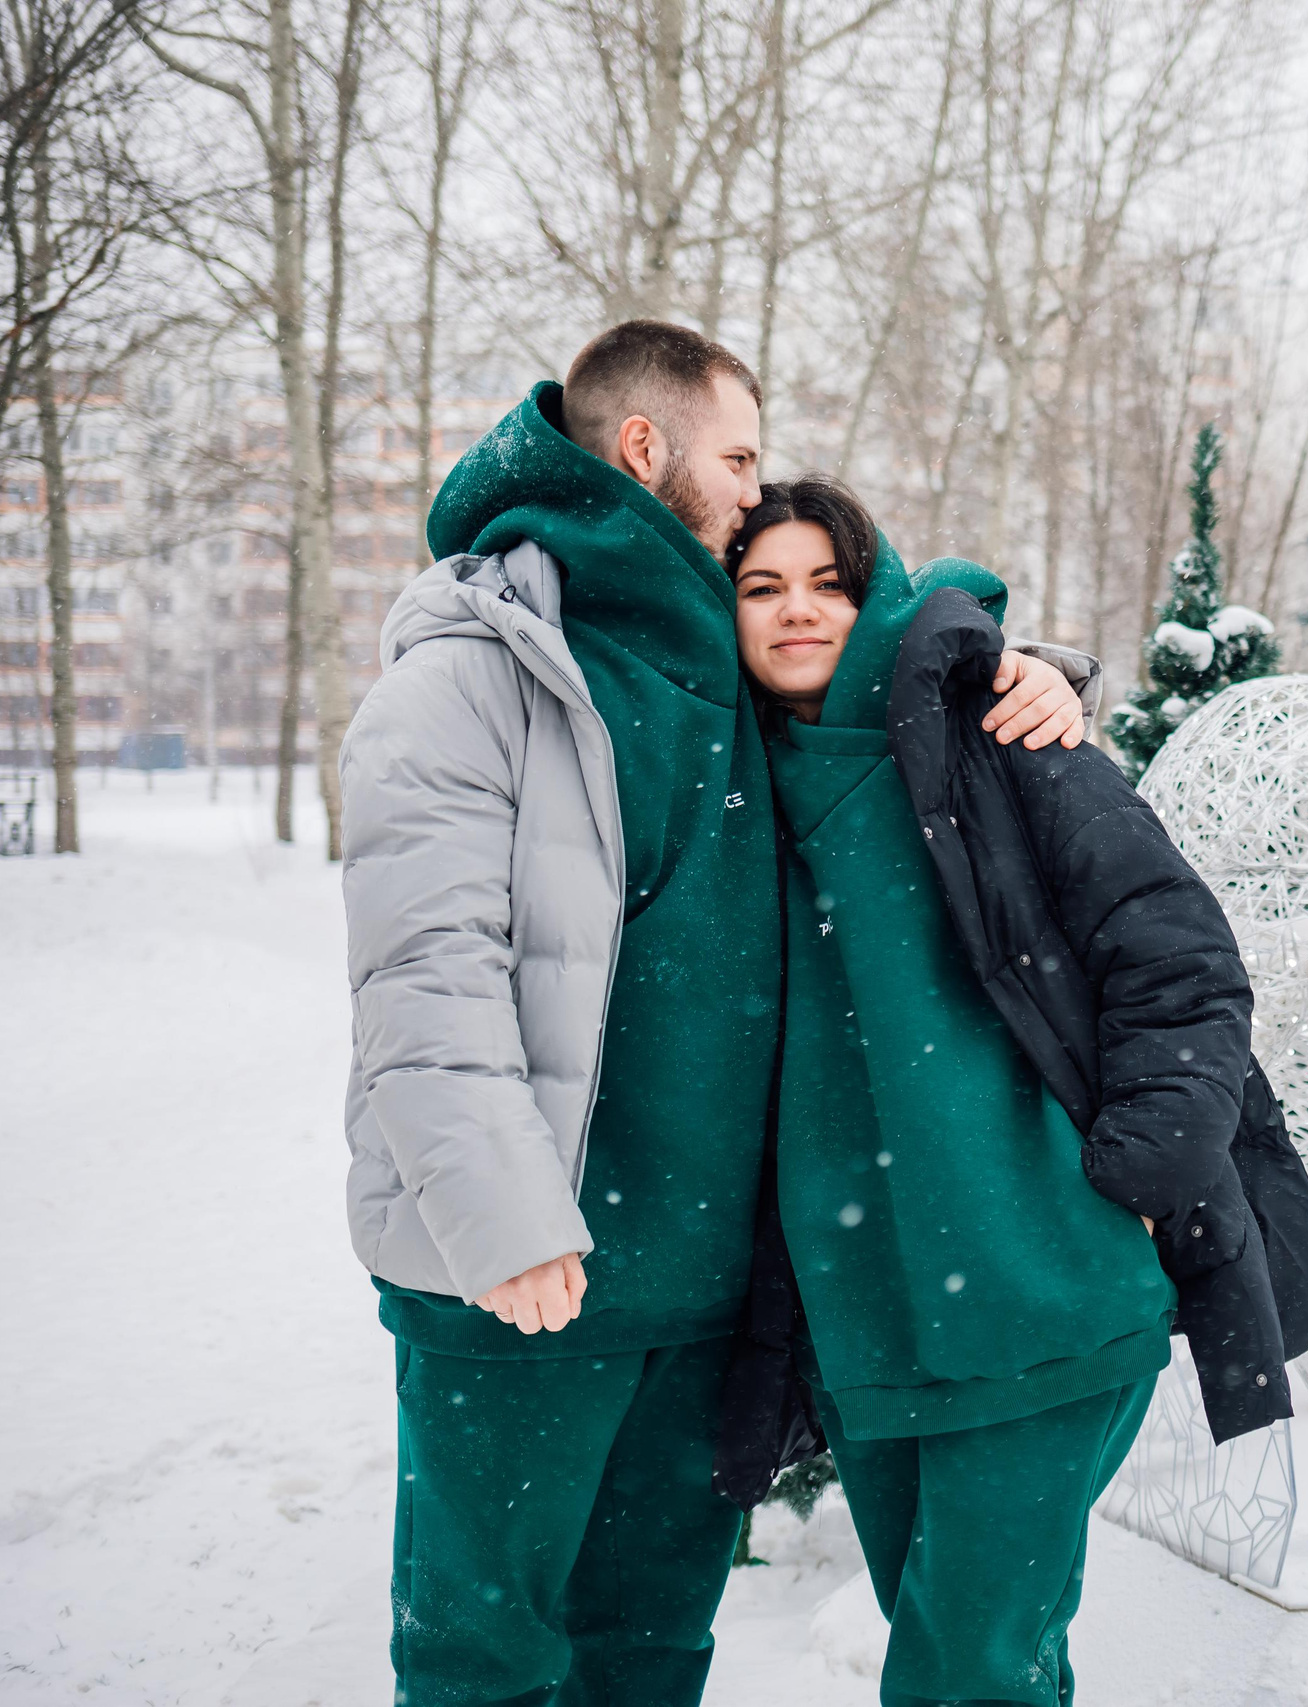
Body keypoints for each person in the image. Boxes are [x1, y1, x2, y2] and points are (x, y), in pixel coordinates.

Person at [337, 321, 1093, 1707]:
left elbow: (886, 634)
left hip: (710, 1294)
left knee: (651, 1647)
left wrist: (1016, 665)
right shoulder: (472, 672)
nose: (756, 486)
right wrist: (506, 1220)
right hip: (519, 1279)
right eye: (738, 457)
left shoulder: (735, 652)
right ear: (645, 448)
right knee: (481, 1656)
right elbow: (426, 974)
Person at [715, 475, 1308, 1706]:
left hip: (1046, 1284)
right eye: (763, 587)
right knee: (979, 1651)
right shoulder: (738, 787)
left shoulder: (1002, 738)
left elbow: (1178, 958)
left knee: (964, 1665)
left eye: (830, 584)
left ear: (876, 597)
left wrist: (1133, 1179)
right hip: (866, 1316)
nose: (798, 611)